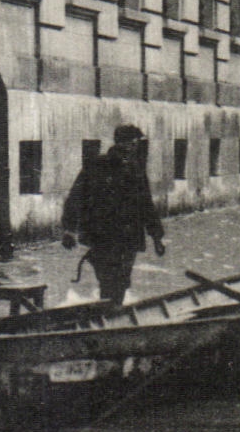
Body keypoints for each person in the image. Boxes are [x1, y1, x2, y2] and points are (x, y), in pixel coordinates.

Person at [62, 124, 165, 307]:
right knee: (114, 283)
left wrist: (156, 236)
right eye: (133, 143)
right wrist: (69, 230)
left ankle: (109, 315)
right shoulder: (112, 166)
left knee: (114, 282)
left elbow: (146, 205)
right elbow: (77, 197)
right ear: (127, 143)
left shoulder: (125, 167)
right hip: (114, 236)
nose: (134, 148)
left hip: (114, 237)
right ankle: (110, 317)